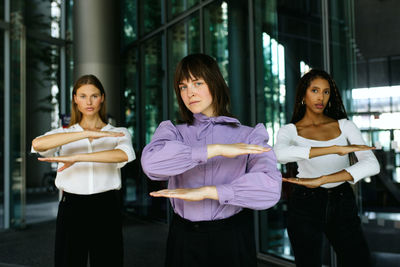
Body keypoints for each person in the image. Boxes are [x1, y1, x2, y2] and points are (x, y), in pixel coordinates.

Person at [141, 53, 282, 267]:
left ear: (215, 83)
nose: (190, 93)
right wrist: (214, 150)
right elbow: (151, 164)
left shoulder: (249, 135)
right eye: (183, 86)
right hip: (184, 238)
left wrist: (209, 192)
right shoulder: (173, 132)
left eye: (198, 83)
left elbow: (270, 189)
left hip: (231, 237)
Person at [274, 69, 380, 267]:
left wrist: (323, 180)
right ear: (303, 95)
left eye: (326, 91)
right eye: (315, 90)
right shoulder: (290, 130)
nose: (320, 97)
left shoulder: (345, 126)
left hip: (341, 199)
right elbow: (279, 154)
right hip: (305, 202)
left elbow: (371, 164)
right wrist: (335, 149)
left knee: (358, 261)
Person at [31, 74, 135, 267]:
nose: (89, 102)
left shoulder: (118, 132)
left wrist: (77, 157)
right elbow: (38, 144)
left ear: (102, 97)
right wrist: (85, 133)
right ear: (75, 99)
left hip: (105, 207)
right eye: (83, 96)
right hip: (72, 207)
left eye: (94, 96)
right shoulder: (63, 134)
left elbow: (123, 155)